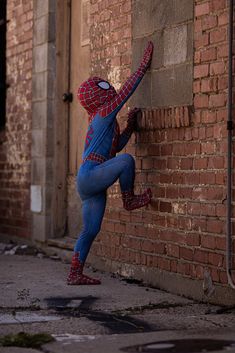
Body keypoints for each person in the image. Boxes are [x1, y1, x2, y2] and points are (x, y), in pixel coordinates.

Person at [67, 41, 154, 285]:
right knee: (126, 161)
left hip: (90, 179)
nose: (109, 88)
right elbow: (126, 91)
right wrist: (142, 67)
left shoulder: (101, 120)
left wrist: (130, 127)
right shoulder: (104, 112)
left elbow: (114, 147)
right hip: (91, 173)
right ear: (97, 94)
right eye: (103, 86)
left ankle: (74, 273)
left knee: (91, 230)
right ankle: (129, 199)